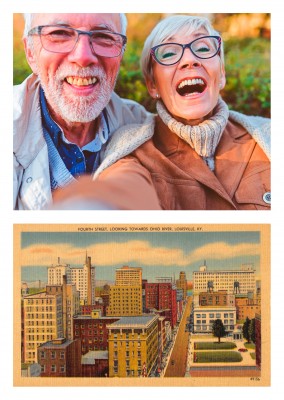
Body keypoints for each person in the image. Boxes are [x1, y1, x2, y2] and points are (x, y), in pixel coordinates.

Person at [91, 14, 271, 210]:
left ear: (222, 75)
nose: (190, 60)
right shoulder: (131, 149)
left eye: (203, 48)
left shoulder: (268, 135)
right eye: (168, 54)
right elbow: (122, 191)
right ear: (152, 85)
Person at [13, 13, 160, 210]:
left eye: (103, 37)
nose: (82, 57)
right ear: (30, 52)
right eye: (59, 34)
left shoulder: (144, 128)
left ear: (121, 53)